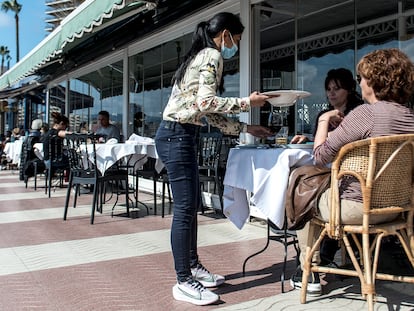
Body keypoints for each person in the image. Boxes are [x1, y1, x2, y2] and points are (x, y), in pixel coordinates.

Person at [155, 12, 274, 306]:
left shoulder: (199, 55)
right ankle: (184, 280)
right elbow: (206, 103)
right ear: (226, 35)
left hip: (179, 135)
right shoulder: (211, 54)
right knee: (185, 209)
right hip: (177, 136)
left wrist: (246, 128)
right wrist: (249, 102)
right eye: (237, 40)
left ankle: (193, 267)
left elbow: (206, 111)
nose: (236, 46)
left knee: (190, 206)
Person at [290, 48, 414, 296]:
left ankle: (309, 268)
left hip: (355, 208)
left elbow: (321, 157)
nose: (361, 84)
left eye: (362, 78)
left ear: (375, 81)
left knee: (303, 186)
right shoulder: (410, 116)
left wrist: (324, 120)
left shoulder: (365, 113)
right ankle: (324, 256)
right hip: (397, 207)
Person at [291, 68, 363, 144]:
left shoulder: (358, 114)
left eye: (336, 89)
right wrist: (307, 140)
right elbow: (318, 145)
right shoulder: (323, 115)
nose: (331, 93)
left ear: (349, 90)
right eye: (328, 89)